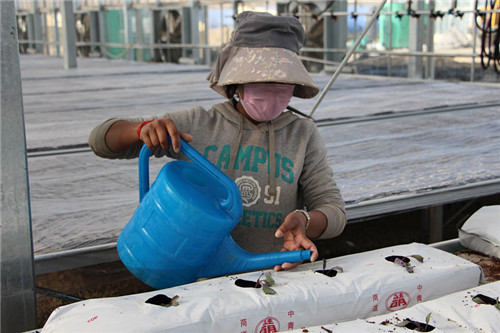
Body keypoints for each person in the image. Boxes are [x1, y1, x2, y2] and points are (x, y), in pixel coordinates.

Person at [89, 11, 346, 271]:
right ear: (237, 82)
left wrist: (305, 220)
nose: (271, 90)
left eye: (281, 82)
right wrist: (142, 129)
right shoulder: (199, 125)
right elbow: (101, 141)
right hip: (204, 276)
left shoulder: (302, 134)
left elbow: (333, 210)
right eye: (260, 80)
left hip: (276, 273)